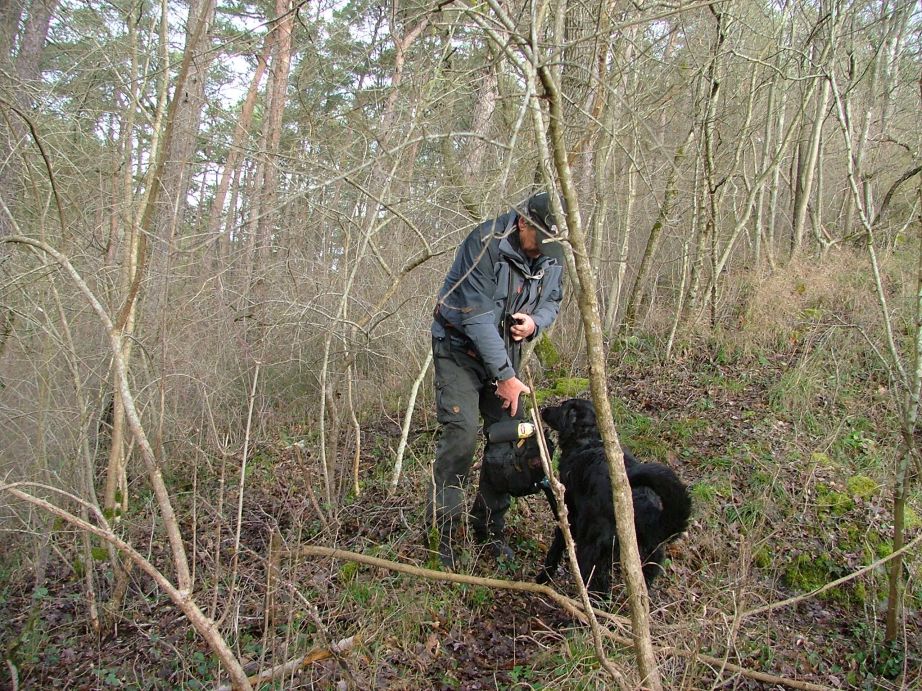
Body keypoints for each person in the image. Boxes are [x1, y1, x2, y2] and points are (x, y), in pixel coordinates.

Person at [428, 191, 566, 568]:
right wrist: (505, 376)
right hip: (459, 349)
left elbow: (554, 299)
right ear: (523, 223)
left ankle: (488, 528)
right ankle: (445, 535)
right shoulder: (485, 243)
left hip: (505, 352)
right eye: (541, 241)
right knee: (462, 433)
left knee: (511, 436)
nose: (545, 253)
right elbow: (475, 317)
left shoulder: (553, 251)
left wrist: (536, 322)